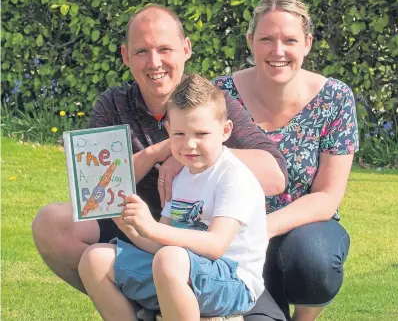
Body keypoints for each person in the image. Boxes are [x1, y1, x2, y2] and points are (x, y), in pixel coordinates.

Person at [31, 5, 288, 320]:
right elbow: (95, 190)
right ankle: (151, 308)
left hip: (216, 262)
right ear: (126, 56)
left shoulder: (211, 103)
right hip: (156, 233)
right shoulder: (113, 105)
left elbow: (274, 176)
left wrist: (185, 150)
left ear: (186, 49)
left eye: (164, 49)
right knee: (70, 237)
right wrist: (161, 152)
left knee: (172, 261)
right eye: (142, 51)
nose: (154, 62)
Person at [213, 0, 359, 321]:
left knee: (315, 262)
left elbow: (327, 196)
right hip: (235, 236)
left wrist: (263, 228)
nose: (278, 51)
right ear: (250, 41)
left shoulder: (335, 98)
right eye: (266, 39)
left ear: (307, 42)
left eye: (289, 40)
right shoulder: (218, 96)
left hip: (304, 232)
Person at [78, 74, 269, 321]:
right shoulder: (183, 176)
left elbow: (215, 245)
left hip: (232, 282)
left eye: (201, 134)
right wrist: (128, 223)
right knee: (95, 259)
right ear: (168, 131)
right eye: (179, 134)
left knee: (170, 259)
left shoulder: (232, 176)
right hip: (177, 269)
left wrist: (152, 227)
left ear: (225, 131)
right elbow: (159, 244)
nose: (189, 144)